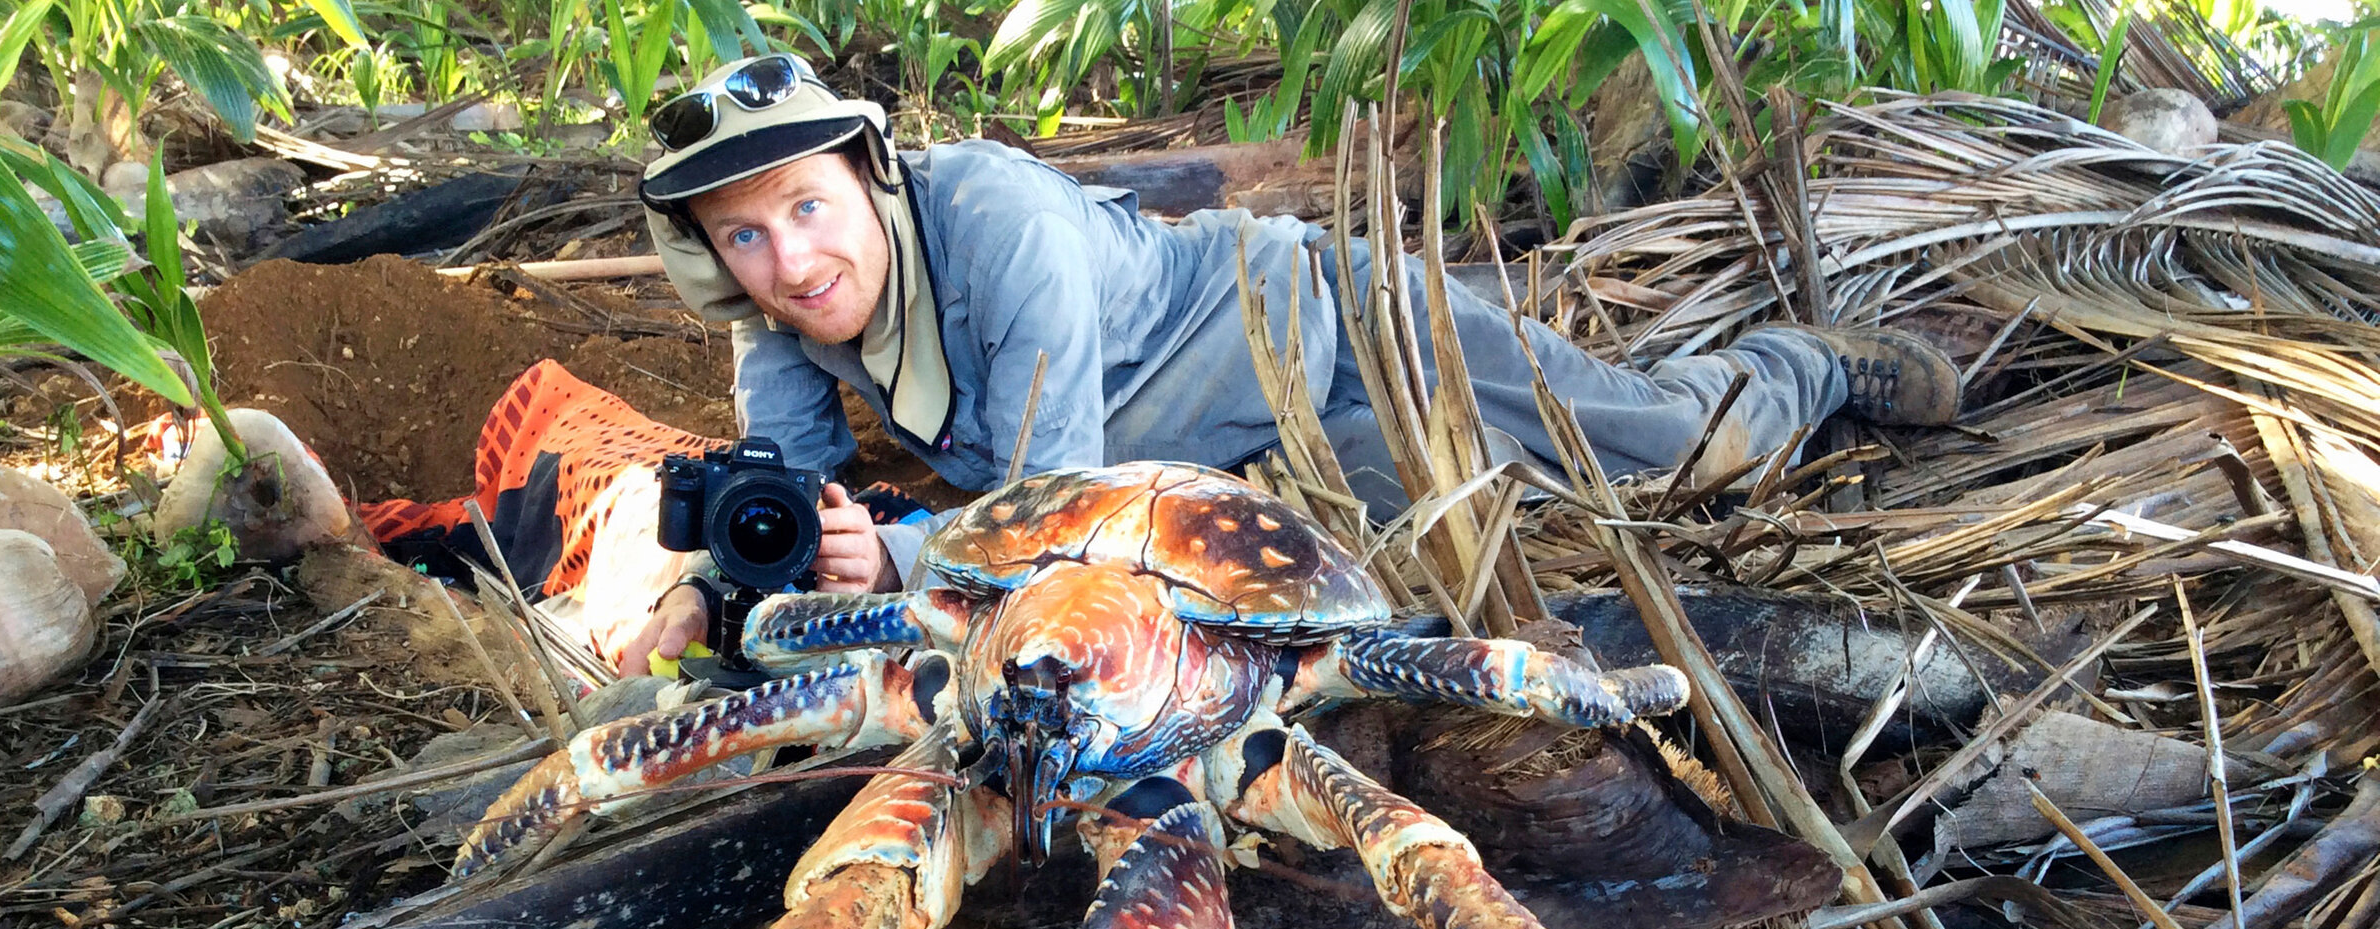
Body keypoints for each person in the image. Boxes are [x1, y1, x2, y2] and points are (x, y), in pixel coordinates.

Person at [624, 53, 1963, 668]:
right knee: (1438, 571)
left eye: (808, 206)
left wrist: (904, 557)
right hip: (1254, 462)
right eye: (742, 234)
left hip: (1322, 332)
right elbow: (779, 496)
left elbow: (1060, 509)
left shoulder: (990, 222)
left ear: (870, 176)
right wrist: (711, 588)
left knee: (1670, 452)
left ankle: (1810, 365)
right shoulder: (779, 317)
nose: (790, 260)